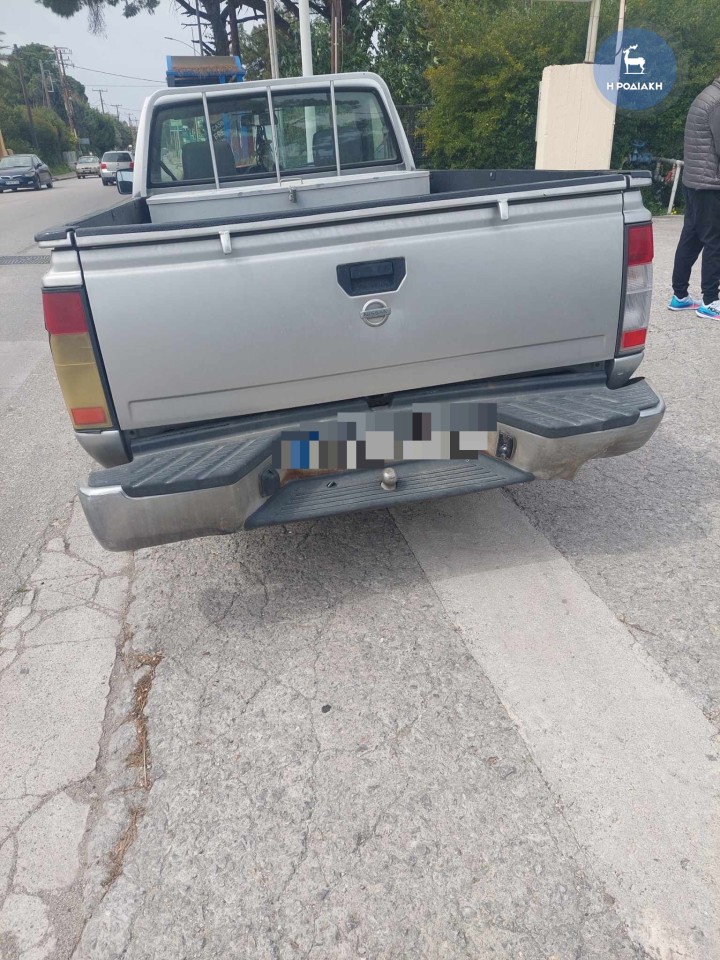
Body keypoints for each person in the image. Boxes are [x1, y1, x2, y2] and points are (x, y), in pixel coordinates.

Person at [669, 76, 720, 319]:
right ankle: (710, 301)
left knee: (691, 237)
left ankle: (680, 296)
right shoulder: (717, 103)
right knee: (715, 241)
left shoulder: (707, 95)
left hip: (694, 182)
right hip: (709, 184)